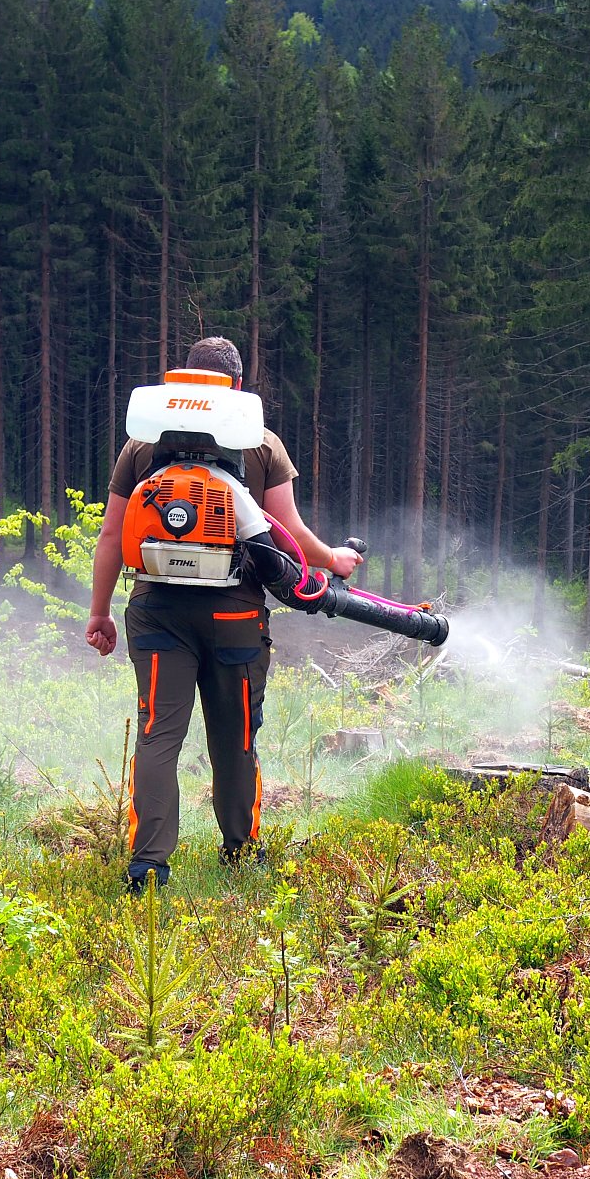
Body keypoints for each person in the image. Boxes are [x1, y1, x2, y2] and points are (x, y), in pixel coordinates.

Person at [86, 337, 362, 891]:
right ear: (236, 384)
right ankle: (240, 851)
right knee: (235, 735)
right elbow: (287, 534)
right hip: (235, 616)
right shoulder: (260, 442)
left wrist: (100, 613)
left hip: (157, 612)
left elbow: (113, 534)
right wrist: (334, 560)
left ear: (186, 378)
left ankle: (148, 866)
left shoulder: (143, 441)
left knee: (157, 733)